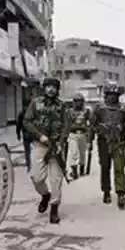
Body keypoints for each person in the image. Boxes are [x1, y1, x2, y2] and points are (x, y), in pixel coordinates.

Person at [23, 77, 68, 224]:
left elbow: (66, 126)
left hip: (56, 146)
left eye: (54, 87)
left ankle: (54, 208)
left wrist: (61, 142)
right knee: (36, 177)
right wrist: (39, 135)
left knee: (56, 179)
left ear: (57, 89)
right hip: (40, 144)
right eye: (48, 86)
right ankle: (45, 195)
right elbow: (27, 122)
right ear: (44, 88)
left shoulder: (62, 106)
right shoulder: (36, 103)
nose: (51, 89)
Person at [89, 83, 125, 209]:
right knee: (105, 167)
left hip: (119, 142)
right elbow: (92, 125)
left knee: (119, 167)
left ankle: (121, 193)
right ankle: (106, 191)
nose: (112, 97)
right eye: (110, 94)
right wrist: (91, 140)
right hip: (104, 142)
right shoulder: (99, 108)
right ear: (106, 95)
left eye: (115, 94)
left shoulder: (124, 109)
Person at [67, 93, 91, 179]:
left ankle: (81, 169)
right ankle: (74, 171)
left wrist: (89, 139)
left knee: (82, 153)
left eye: (80, 101)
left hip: (83, 134)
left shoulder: (86, 111)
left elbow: (90, 125)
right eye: (76, 101)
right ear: (74, 102)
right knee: (74, 152)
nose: (78, 103)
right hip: (73, 134)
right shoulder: (69, 111)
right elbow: (66, 124)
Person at [16, 91, 34, 172]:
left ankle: (29, 165)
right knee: (35, 150)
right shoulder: (34, 113)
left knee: (27, 151)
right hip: (33, 135)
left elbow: (18, 125)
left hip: (26, 135)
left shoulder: (21, 113)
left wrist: (18, 134)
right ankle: (34, 165)